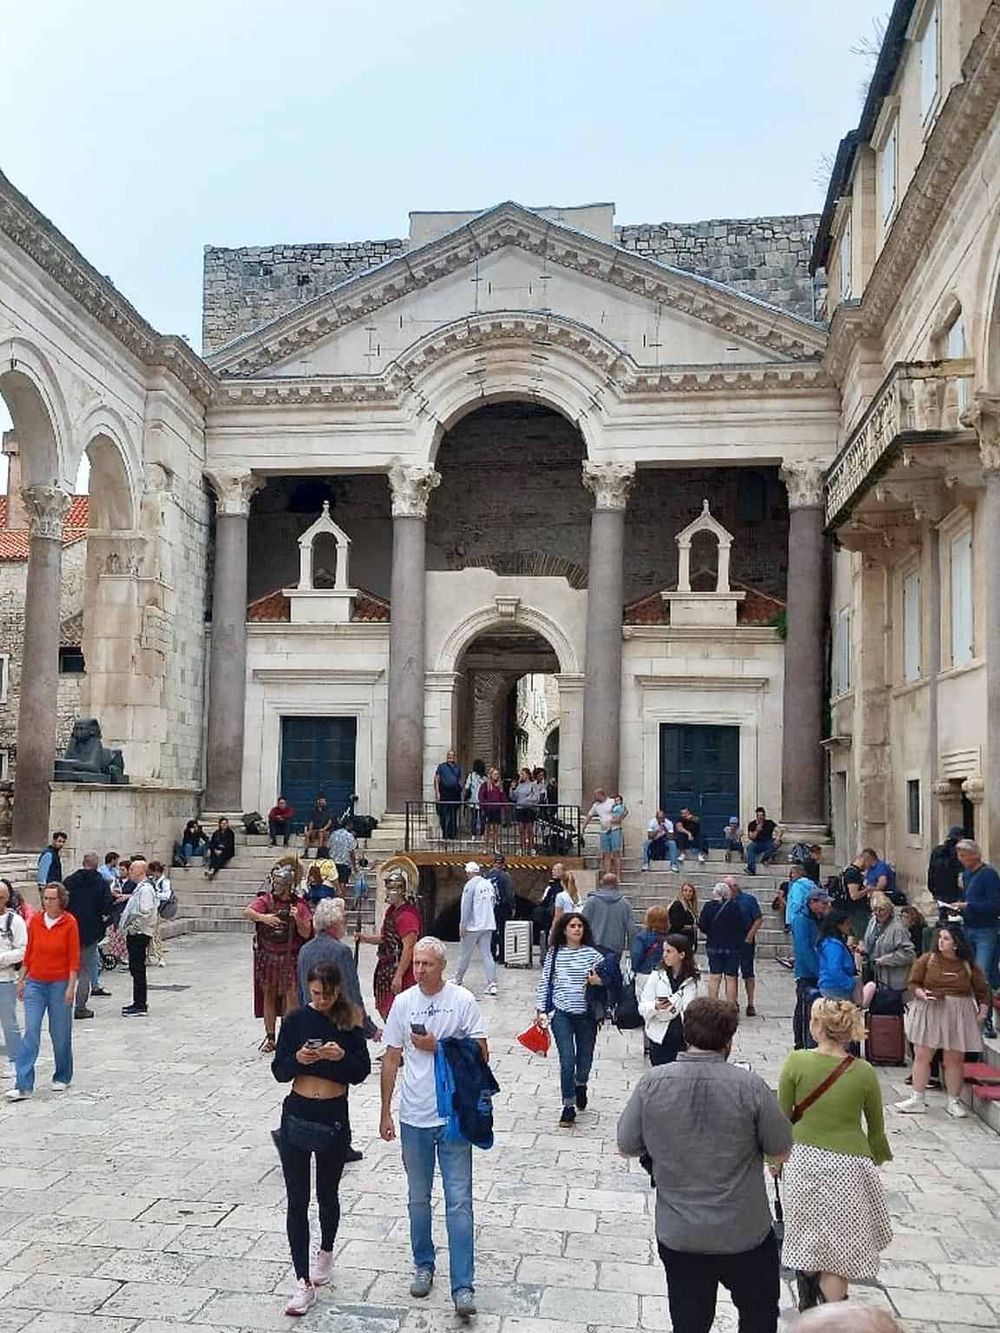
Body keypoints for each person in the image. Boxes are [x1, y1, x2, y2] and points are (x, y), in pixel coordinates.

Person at [617, 998, 793, 1333]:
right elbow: (780, 1148)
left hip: (680, 1230)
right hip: (745, 1232)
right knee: (758, 1318)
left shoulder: (653, 1083)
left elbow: (627, 1144)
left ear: (686, 1033)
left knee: (689, 1323)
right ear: (729, 1040)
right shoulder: (750, 1087)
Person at [380, 937, 488, 1320]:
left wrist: (438, 1046)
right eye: (417, 963)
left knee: (459, 1203)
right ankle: (423, 1263)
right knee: (417, 1198)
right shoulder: (404, 1003)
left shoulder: (462, 1001)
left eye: (427, 963)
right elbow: (391, 1058)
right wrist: (385, 1111)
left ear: (442, 966)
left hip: (453, 1116)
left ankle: (463, 1285)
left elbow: (481, 1053)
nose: (420, 969)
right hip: (414, 1117)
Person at [777, 998, 892, 1311]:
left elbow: (781, 1119)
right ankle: (835, 1314)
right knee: (838, 1251)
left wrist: (774, 1161)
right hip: (849, 1168)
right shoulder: (864, 1072)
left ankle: (807, 1304)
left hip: (804, 1161)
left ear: (817, 1026)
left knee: (807, 1236)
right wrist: (876, 1160)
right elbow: (877, 1131)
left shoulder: (796, 1062)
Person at [272, 960, 371, 1316]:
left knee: (327, 1194)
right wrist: (299, 1058)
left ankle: (326, 1251)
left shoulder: (348, 1020)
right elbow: (279, 1071)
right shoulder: (297, 1021)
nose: (322, 999)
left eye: (327, 994)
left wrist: (340, 1056)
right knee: (296, 1199)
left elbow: (360, 1071)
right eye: (316, 994)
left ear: (336, 991)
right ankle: (302, 1280)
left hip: (333, 1116)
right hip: (298, 1113)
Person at [896, 925, 990, 1117]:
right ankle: (917, 1098)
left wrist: (983, 1011)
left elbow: (982, 989)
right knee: (922, 1054)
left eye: (946, 938)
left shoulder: (967, 965)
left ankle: (953, 1101)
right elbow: (913, 982)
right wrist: (922, 994)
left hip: (958, 1012)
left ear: (956, 943)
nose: (941, 941)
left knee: (954, 1059)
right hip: (931, 1008)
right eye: (940, 937)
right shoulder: (927, 959)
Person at [6, 882, 80, 1101]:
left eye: (52, 898)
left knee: (60, 1032)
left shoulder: (69, 922)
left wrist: (71, 986)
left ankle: (63, 1075)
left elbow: (74, 957)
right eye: (45, 898)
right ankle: (23, 1083)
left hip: (59, 983)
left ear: (61, 900)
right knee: (31, 1031)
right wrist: (21, 979)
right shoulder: (36, 921)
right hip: (36, 983)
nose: (48, 902)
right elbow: (30, 952)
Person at [535, 912, 604, 1126]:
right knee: (567, 1059)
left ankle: (581, 1083)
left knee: (584, 1059)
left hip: (586, 1016)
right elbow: (545, 981)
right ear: (564, 930)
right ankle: (568, 1105)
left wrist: (598, 981)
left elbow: (610, 979)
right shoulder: (554, 954)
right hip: (561, 1014)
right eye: (572, 926)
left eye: (580, 926)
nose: (577, 929)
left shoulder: (593, 955)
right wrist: (540, 1009)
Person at [246, 863, 313, 1051]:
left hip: (290, 956)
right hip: (269, 955)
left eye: (279, 883)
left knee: (291, 996)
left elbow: (307, 932)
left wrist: (298, 919)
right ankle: (270, 1038)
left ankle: (289, 1036)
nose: (275, 886)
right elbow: (248, 911)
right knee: (269, 994)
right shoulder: (267, 901)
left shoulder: (299, 904)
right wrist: (264, 918)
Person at [357, 870, 421, 1020]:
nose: (388, 893)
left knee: (398, 1012)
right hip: (386, 967)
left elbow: (409, 948)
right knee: (385, 1007)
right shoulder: (392, 911)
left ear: (399, 891)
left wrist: (399, 976)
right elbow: (386, 938)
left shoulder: (407, 916)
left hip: (400, 969)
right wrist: (364, 938)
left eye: (391, 889)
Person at [954, 838, 1000, 1038]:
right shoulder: (966, 875)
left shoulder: (988, 875)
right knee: (968, 974)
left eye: (963, 855)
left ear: (975, 855)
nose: (960, 859)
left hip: (985, 931)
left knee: (983, 974)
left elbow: (994, 905)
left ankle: (986, 1020)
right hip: (968, 928)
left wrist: (969, 906)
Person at [63, 852, 115, 1017]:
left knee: (65, 969)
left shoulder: (70, 881)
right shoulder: (101, 883)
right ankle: (80, 1008)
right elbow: (107, 907)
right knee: (84, 971)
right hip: (90, 932)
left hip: (68, 929)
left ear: (83, 862)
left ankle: (62, 1006)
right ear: (96, 864)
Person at [639, 933, 700, 1066]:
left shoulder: (694, 981)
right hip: (660, 1038)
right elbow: (642, 1007)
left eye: (669, 951)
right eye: (664, 951)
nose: (664, 955)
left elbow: (699, 1010)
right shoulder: (657, 976)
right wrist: (655, 1006)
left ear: (682, 955)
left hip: (684, 1041)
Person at [856, 892, 915, 1009]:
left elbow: (909, 954)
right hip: (874, 973)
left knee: (892, 1007)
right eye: (875, 910)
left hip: (893, 977)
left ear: (889, 910)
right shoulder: (873, 922)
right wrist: (864, 949)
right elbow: (869, 942)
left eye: (881, 910)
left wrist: (886, 960)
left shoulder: (898, 928)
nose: (878, 913)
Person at [791, 887, 831, 1049]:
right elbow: (803, 950)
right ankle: (801, 1042)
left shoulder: (817, 918)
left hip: (818, 969)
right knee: (803, 1007)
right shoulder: (802, 920)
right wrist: (818, 971)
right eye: (823, 903)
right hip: (807, 972)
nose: (826, 906)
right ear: (812, 902)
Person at [118, 858, 159, 1017]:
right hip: (136, 932)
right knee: (136, 969)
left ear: (140, 871)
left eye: (132, 870)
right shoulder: (140, 888)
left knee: (138, 969)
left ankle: (140, 1004)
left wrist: (133, 928)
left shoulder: (146, 889)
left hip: (139, 933)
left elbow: (145, 911)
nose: (129, 872)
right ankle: (137, 1001)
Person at [454, 862, 497, 996]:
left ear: (469, 872)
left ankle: (457, 979)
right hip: (488, 924)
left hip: (473, 926)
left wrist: (462, 924)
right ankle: (492, 984)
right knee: (487, 954)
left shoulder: (470, 885)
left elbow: (466, 906)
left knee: (465, 954)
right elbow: (493, 902)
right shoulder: (488, 884)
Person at [698, 882, 745, 1005]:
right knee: (731, 977)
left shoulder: (708, 906)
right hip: (732, 946)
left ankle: (712, 1006)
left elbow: (702, 925)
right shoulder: (735, 906)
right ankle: (730, 1006)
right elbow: (741, 926)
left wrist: (710, 932)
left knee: (714, 976)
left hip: (713, 944)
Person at [0, 878, 27, 1078]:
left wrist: (2, 959)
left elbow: (23, 950)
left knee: (9, 1022)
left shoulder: (14, 921)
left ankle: (17, 1060)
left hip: (5, 979)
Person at [728, 873, 763, 1017]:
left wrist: (750, 936)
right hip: (730, 941)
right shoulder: (724, 900)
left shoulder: (749, 900)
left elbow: (758, 919)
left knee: (748, 972)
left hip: (745, 941)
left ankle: (750, 1003)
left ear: (734, 887)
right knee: (731, 973)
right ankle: (733, 1002)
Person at [581, 871, 636, 957]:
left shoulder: (591, 902)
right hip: (615, 949)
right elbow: (631, 930)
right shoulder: (625, 904)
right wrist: (632, 950)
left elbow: (582, 923)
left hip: (593, 946)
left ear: (601, 883)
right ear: (617, 884)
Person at [817, 908, 857, 1003]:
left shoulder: (832, 942)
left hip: (833, 986)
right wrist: (850, 983)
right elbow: (834, 970)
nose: (849, 927)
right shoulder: (833, 945)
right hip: (836, 989)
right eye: (847, 924)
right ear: (839, 925)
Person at [631, 906, 671, 1001]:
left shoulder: (641, 937)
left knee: (643, 1004)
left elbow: (636, 955)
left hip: (644, 973)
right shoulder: (670, 939)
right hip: (663, 975)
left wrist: (635, 969)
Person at [928, 824, 966, 918]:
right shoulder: (958, 852)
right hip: (954, 890)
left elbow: (931, 871)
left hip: (939, 890)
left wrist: (932, 889)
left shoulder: (937, 850)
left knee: (943, 917)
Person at [487, 853, 515, 963]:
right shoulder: (505, 876)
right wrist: (513, 906)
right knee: (503, 931)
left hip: (491, 906)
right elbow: (510, 893)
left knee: (492, 931)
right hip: (503, 906)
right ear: (503, 864)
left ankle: (491, 954)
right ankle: (502, 956)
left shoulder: (487, 876)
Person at [582, 787, 617, 872]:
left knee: (615, 853)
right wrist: (583, 827)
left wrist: (616, 820)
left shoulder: (612, 802)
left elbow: (621, 811)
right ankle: (607, 872)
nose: (594, 797)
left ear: (601, 794)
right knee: (606, 853)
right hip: (603, 830)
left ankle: (616, 873)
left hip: (614, 829)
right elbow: (589, 816)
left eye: (596, 795)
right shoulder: (596, 805)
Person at [147, 860, 173, 967]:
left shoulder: (164, 882)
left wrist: (154, 894)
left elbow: (166, 895)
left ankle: (160, 956)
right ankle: (147, 956)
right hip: (149, 909)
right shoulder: (151, 880)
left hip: (156, 910)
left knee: (155, 935)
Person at [434, 750, 464, 842]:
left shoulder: (457, 767)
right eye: (449, 755)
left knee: (453, 814)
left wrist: (461, 787)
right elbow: (437, 779)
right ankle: (445, 833)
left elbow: (459, 779)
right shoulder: (441, 767)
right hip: (444, 793)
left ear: (455, 757)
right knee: (443, 813)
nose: (450, 757)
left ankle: (452, 834)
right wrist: (437, 792)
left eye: (452, 755)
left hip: (454, 793)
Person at [477, 767, 506, 854]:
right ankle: (486, 847)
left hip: (496, 810)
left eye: (497, 774)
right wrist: (484, 805)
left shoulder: (499, 786)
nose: (496, 776)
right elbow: (481, 797)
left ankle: (495, 847)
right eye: (495, 774)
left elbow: (503, 798)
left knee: (496, 830)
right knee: (487, 829)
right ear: (491, 775)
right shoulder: (485, 785)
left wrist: (501, 792)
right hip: (488, 810)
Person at [549, 867, 580, 939]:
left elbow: (558, 916)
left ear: (562, 882)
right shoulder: (577, 895)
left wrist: (552, 932)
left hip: (566, 925)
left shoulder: (561, 896)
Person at [745, 806, 777, 875]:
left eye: (762, 815)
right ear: (756, 816)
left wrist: (778, 838)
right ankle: (751, 869)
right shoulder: (752, 824)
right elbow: (751, 837)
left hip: (768, 842)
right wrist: (757, 830)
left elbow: (779, 830)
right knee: (750, 847)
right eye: (759, 816)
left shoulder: (769, 823)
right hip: (757, 843)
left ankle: (765, 858)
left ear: (764, 816)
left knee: (776, 843)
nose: (760, 817)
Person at [667, 881, 699, 949]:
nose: (688, 893)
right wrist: (691, 927)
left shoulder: (690, 906)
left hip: (687, 940)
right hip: (679, 941)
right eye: (685, 890)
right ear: (681, 892)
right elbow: (676, 924)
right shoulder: (678, 905)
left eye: (690, 891)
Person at [327, 819, 358, 888]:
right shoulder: (349, 836)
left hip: (333, 862)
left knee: (334, 881)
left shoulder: (333, 834)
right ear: (348, 825)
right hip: (344, 862)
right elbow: (351, 852)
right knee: (343, 882)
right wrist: (354, 866)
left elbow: (328, 847)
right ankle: (342, 897)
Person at [464, 759, 487, 837]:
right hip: (481, 801)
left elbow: (467, 787)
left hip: (474, 800)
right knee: (481, 818)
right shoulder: (484, 777)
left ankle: (474, 834)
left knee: (474, 818)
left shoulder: (471, 776)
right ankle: (482, 833)